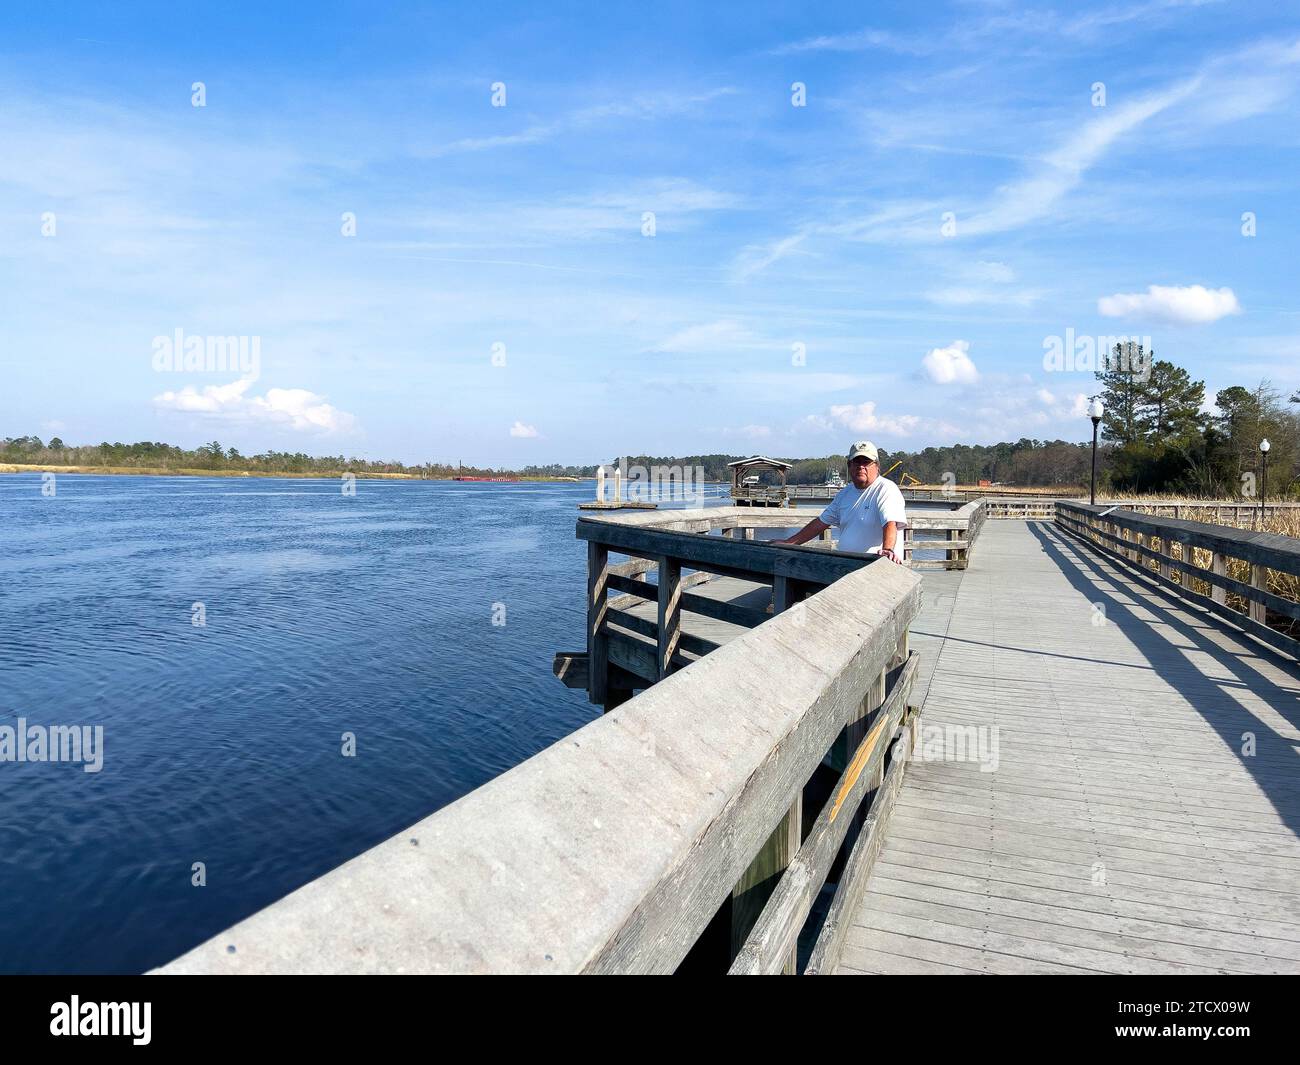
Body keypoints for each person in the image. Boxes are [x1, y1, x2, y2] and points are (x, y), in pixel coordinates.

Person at [772, 441, 907, 563]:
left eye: (866, 462)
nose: (861, 466)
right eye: (856, 462)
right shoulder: (844, 494)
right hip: (847, 566)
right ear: (849, 465)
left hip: (877, 567)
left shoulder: (886, 489)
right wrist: (789, 543)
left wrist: (888, 550)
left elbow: (890, 523)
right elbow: (820, 523)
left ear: (877, 466)